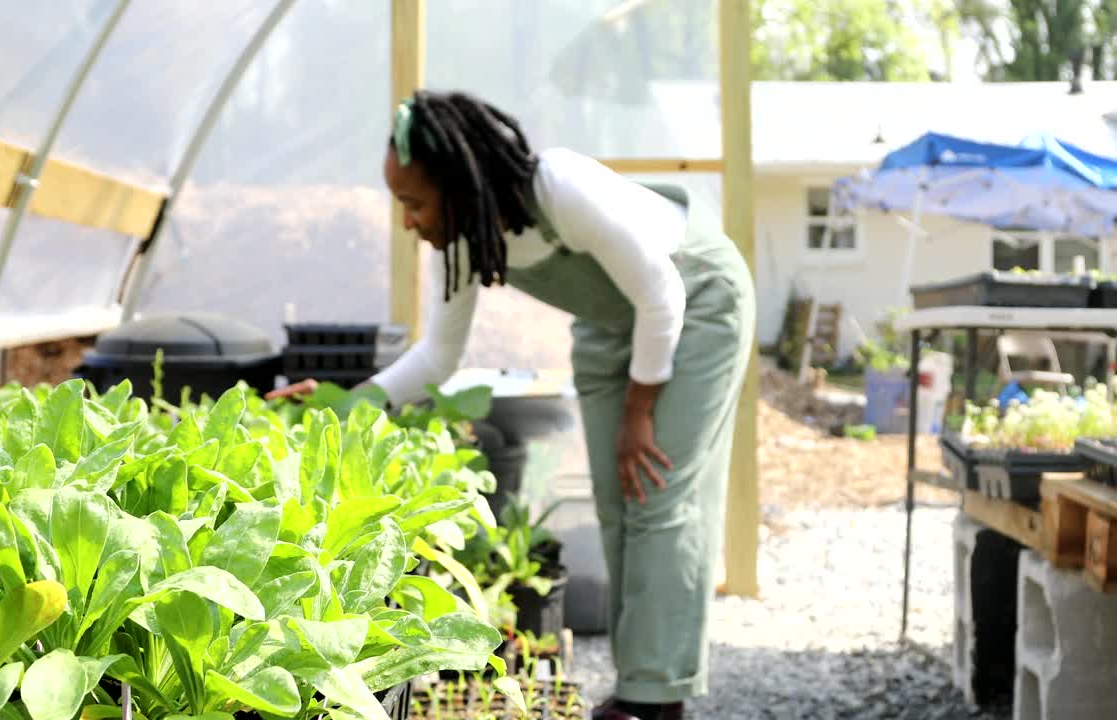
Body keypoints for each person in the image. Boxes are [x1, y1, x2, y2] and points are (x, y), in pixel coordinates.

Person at [270, 90, 755, 720]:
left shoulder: (556, 186)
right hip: (612, 329)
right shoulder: (462, 240)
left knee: (659, 494)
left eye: (414, 202)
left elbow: (662, 291)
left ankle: (652, 697)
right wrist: (343, 403)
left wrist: (639, 413)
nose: (407, 221)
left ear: (460, 183)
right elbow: (438, 359)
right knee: (616, 499)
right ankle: (642, 683)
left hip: (695, 303)